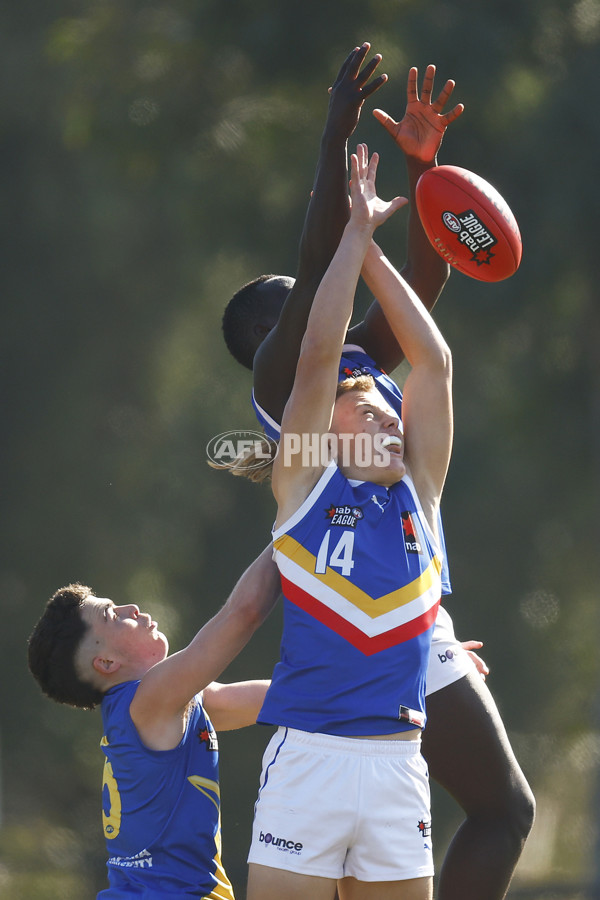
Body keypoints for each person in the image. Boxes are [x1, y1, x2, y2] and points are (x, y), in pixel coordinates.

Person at [221, 47, 534, 900]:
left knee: (506, 808)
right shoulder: (287, 383)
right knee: (493, 808)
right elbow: (321, 261)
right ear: (271, 326)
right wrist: (336, 138)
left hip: (404, 604)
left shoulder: (362, 373)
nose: (330, 297)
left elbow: (424, 297)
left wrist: (426, 176)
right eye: (309, 291)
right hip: (341, 604)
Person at [247, 143, 447, 900]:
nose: (394, 422)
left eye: (392, 413)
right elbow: (318, 355)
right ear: (324, 429)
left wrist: (375, 256)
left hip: (400, 766)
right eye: (369, 409)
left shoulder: (421, 501)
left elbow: (433, 364)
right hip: (310, 761)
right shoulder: (300, 486)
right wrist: (353, 236)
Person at [27, 544, 280, 899]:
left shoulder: (157, 705)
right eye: (113, 615)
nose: (131, 608)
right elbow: (242, 615)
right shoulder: (150, 700)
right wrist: (291, 530)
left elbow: (269, 700)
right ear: (107, 663)